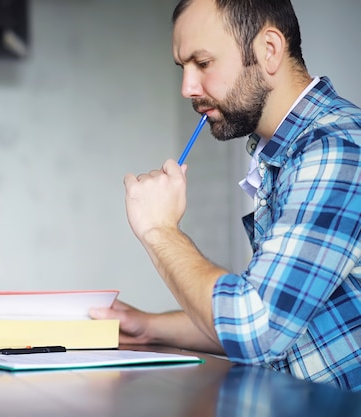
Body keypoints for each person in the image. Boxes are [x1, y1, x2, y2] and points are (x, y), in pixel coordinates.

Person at [90, 0, 361, 391]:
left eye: (203, 63)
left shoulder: (335, 148)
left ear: (268, 50)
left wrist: (160, 231)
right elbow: (279, 316)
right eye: (183, 68)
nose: (188, 87)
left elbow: (257, 330)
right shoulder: (286, 151)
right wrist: (148, 328)